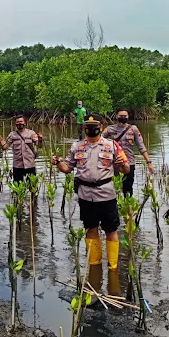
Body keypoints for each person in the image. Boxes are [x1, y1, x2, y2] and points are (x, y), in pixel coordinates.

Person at [51, 114, 129, 272]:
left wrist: (122, 166)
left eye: (95, 126)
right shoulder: (76, 147)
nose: (91, 129)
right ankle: (94, 264)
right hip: (86, 196)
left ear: (101, 127)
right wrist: (58, 162)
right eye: (88, 126)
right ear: (84, 128)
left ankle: (113, 266)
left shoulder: (112, 145)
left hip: (107, 195)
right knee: (91, 229)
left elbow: (126, 168)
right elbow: (67, 169)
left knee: (111, 230)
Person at [102, 109, 154, 197]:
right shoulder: (110, 129)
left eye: (124, 116)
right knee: (112, 188)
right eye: (120, 116)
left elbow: (141, 147)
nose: (122, 118)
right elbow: (97, 140)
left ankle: (127, 208)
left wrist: (148, 162)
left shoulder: (133, 129)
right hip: (114, 163)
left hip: (129, 162)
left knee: (128, 188)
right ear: (116, 117)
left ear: (128, 117)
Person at [0, 116, 42, 183]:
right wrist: (1, 141)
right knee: (17, 188)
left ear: (24, 123)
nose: (19, 123)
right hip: (17, 165)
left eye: (21, 122)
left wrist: (40, 140)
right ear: (15, 124)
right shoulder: (12, 135)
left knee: (32, 187)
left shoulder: (31, 133)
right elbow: (5, 147)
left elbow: (39, 146)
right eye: (18, 122)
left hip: (30, 164)